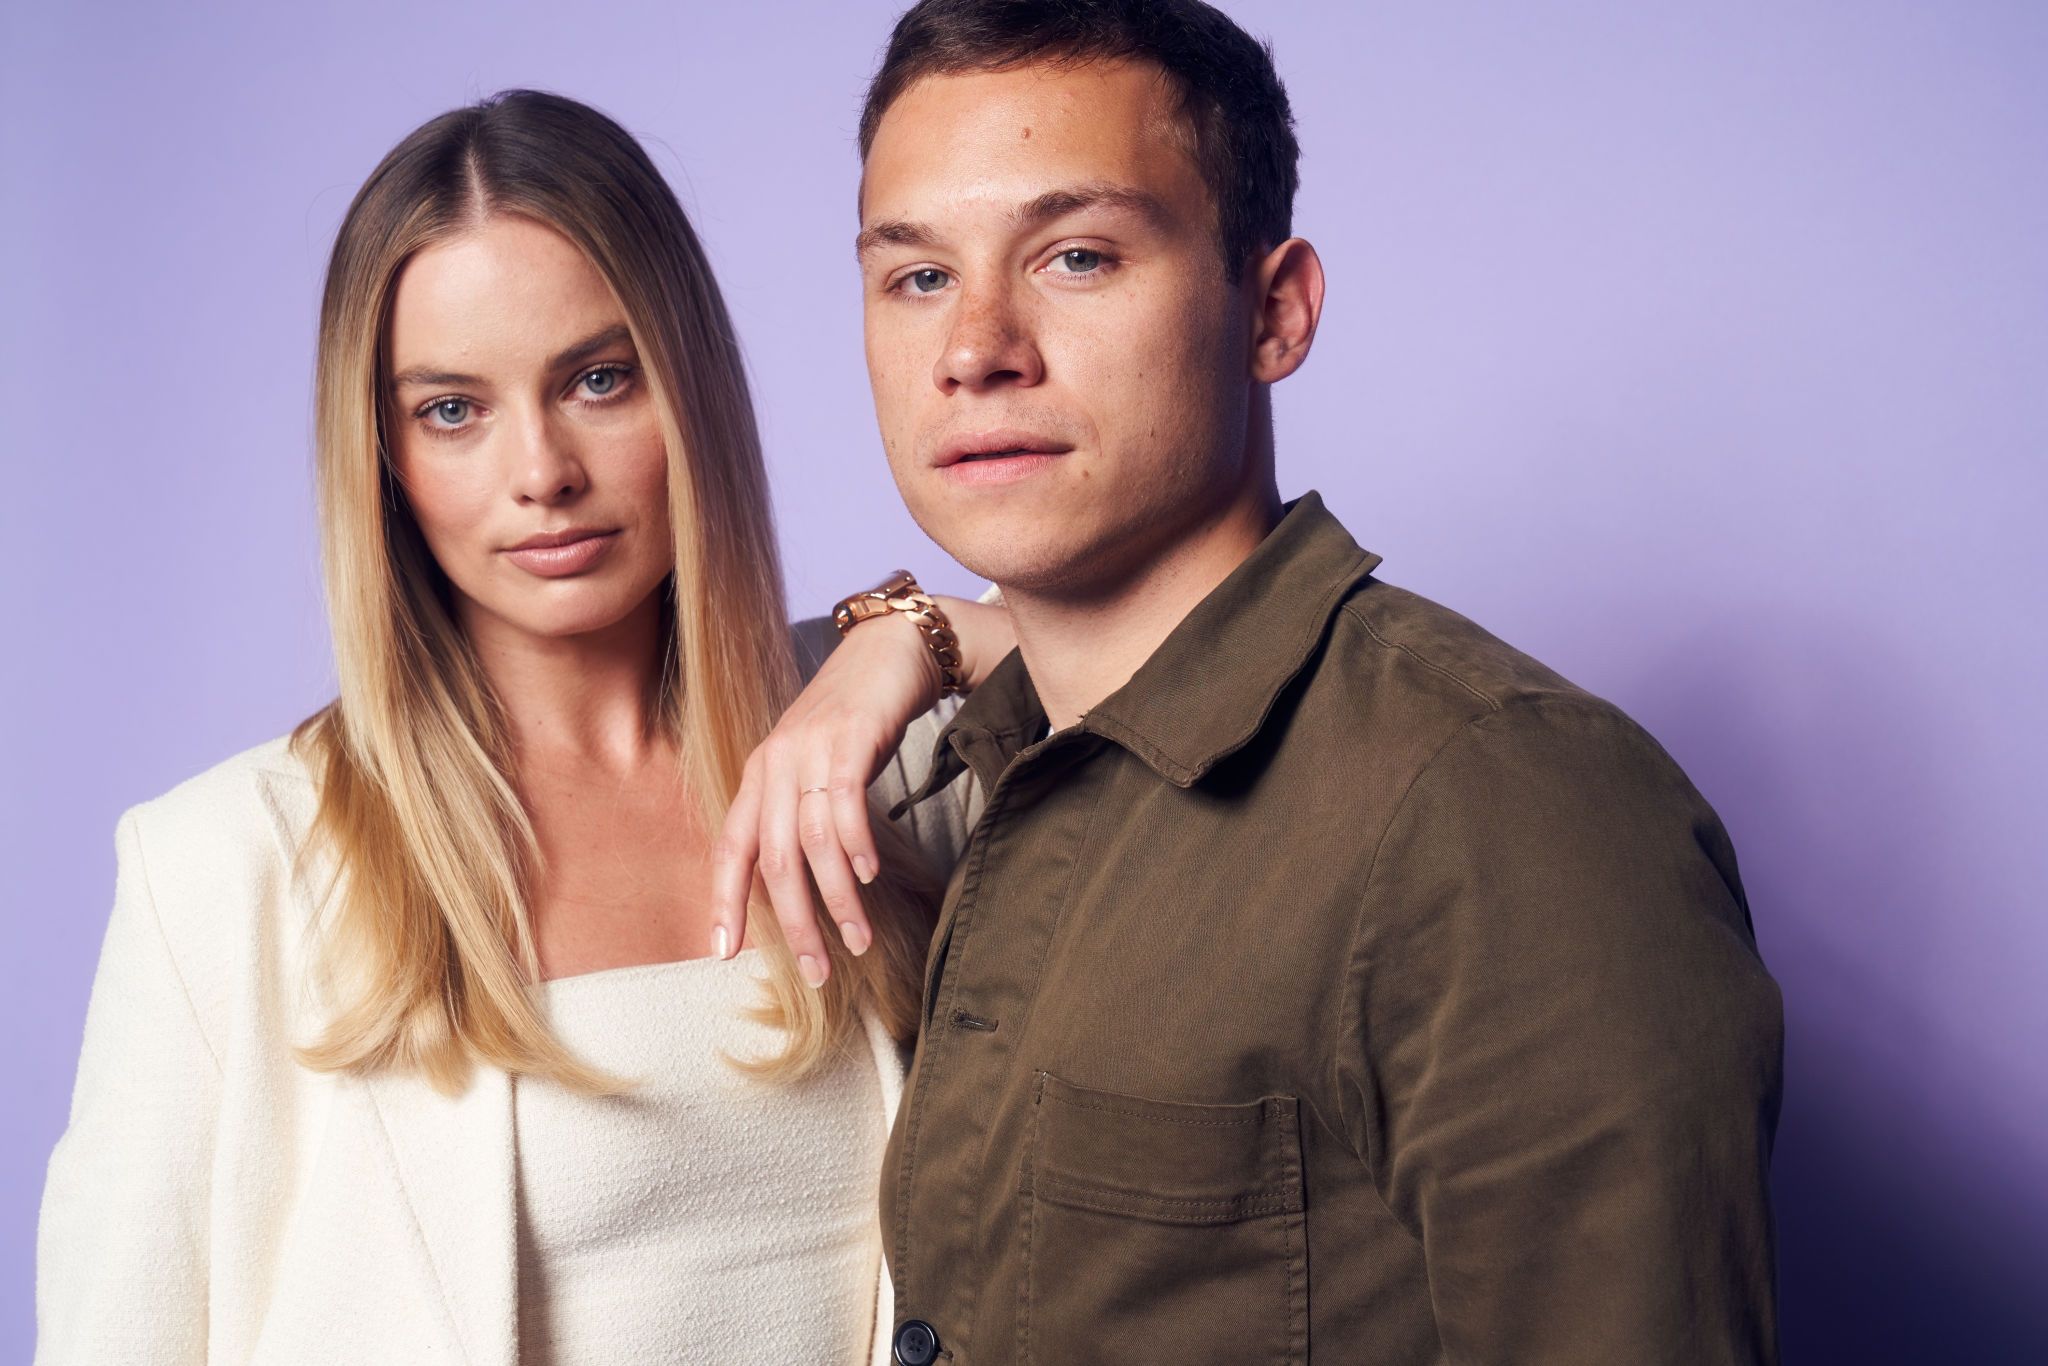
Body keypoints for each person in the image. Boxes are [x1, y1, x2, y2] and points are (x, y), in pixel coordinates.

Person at [713, 2, 1786, 1362]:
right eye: (918, 276)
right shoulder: (981, 769)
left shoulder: (1500, 806)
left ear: (1273, 312)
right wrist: (909, 631)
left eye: (1077, 256)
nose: (975, 348)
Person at [35, 89, 1013, 1365]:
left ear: (688, 388)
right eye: (453, 409)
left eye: (598, 380)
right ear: (383, 456)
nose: (541, 470)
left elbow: (1192, 689)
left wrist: (921, 637)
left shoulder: (887, 759)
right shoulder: (226, 868)